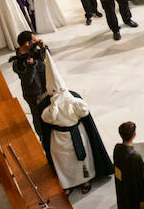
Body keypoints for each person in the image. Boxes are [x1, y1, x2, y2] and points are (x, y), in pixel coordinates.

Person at [38, 66, 113, 194]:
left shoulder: (74, 98)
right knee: (63, 162)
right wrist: (55, 106)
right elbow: (46, 119)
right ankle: (67, 184)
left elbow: (84, 112)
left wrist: (73, 101)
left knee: (82, 159)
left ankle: (86, 180)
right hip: (59, 137)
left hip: (77, 133)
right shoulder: (46, 105)